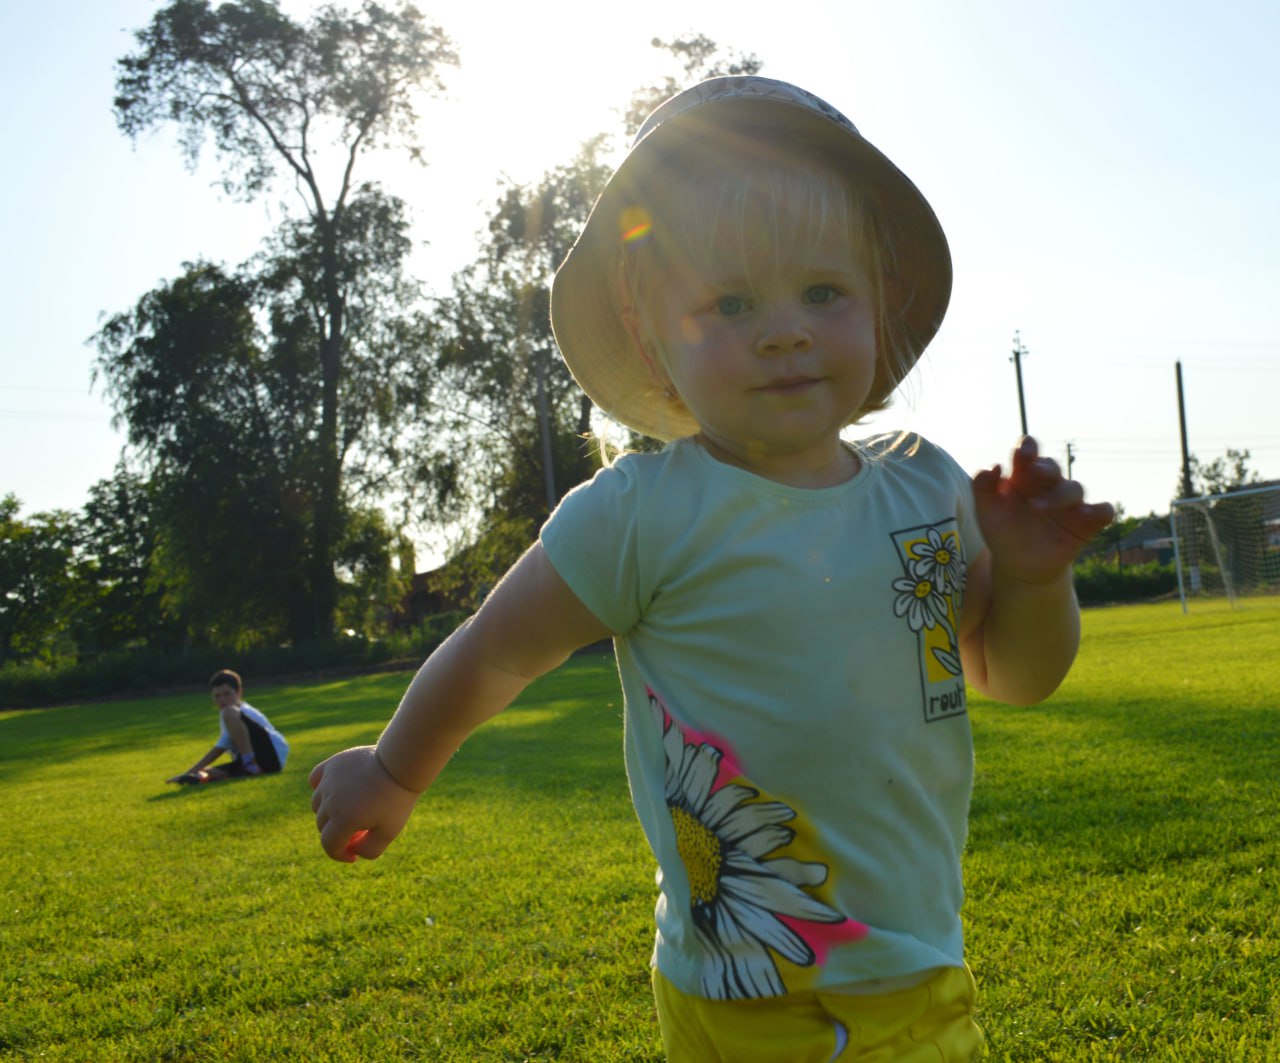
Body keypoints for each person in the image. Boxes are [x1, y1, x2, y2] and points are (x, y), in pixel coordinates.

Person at [310, 76, 1114, 1060]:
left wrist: (1031, 580)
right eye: (730, 303)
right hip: (776, 989)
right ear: (652, 340)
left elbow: (1010, 673)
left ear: (879, 304)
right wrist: (392, 771)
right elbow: (494, 651)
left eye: (823, 292)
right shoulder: (639, 515)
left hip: (891, 971)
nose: (785, 330)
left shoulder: (925, 487)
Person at [168, 669, 289, 784]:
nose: (222, 700)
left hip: (271, 755)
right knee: (206, 771)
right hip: (258, 761)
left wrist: (187, 772)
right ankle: (213, 777)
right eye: (217, 696)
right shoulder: (227, 714)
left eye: (227, 694)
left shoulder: (235, 712)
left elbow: (220, 747)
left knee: (229, 712)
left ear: (239, 692)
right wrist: (191, 773)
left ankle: (249, 765)